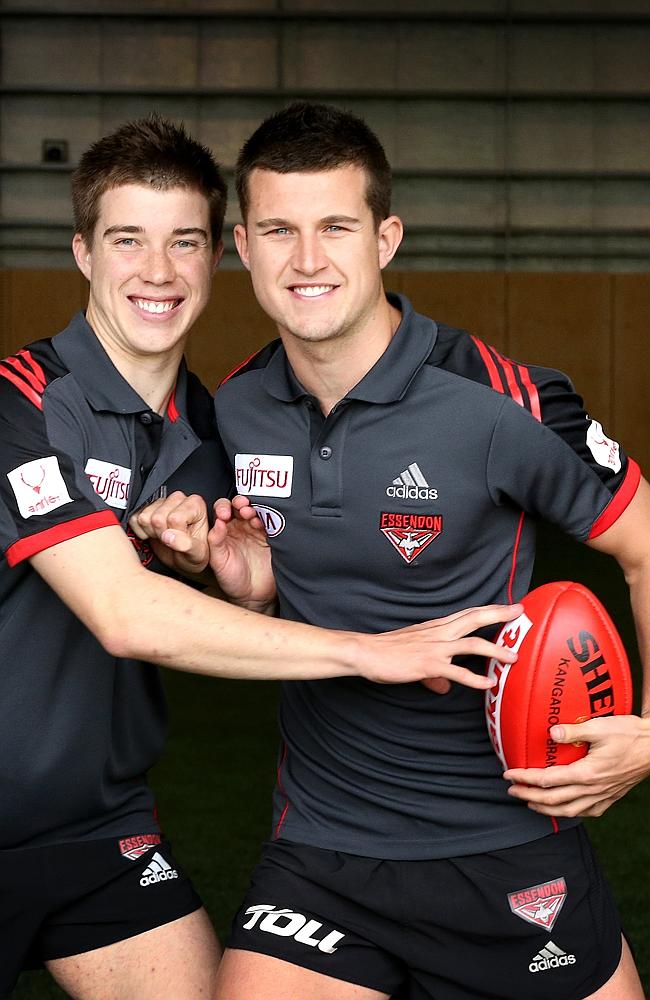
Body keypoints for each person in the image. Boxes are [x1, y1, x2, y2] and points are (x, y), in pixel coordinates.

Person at [0, 114, 523, 1000]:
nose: (158, 273)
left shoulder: (215, 435)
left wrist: (236, 579)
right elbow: (125, 616)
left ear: (220, 258)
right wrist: (370, 648)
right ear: (85, 252)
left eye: (186, 243)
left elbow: (249, 602)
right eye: (129, 240)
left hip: (96, 829)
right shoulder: (21, 402)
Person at [154, 102, 649, 999]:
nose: (307, 260)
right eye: (279, 229)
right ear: (240, 246)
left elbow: (646, 542)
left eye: (335, 227)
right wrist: (247, 586)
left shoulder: (503, 401)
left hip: (503, 845)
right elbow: (277, 584)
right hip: (322, 852)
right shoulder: (239, 405)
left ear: (385, 238)